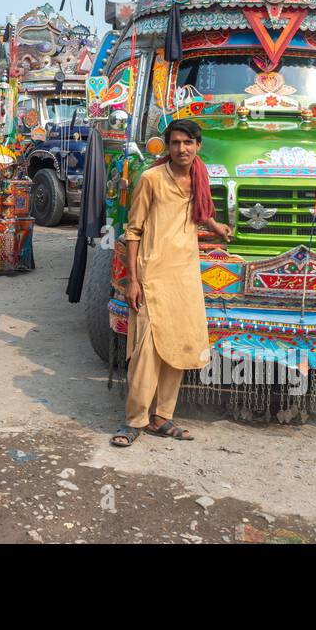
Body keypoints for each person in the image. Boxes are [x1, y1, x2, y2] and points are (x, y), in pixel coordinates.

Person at [111, 118, 230, 447]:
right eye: (175, 143)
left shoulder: (198, 177)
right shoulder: (150, 179)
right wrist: (133, 279)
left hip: (185, 274)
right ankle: (134, 420)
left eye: (188, 143)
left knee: (176, 346)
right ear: (167, 146)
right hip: (152, 273)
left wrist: (216, 227)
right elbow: (133, 231)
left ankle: (162, 417)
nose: (182, 149)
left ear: (198, 146)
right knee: (146, 349)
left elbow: (200, 211)